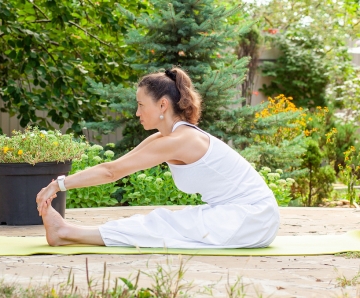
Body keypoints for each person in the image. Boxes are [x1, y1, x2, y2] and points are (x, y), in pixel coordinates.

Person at [36, 67, 280, 248]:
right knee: (166, 222)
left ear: (162, 105)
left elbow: (112, 173)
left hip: (254, 218)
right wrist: (59, 184)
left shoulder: (180, 141)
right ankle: (66, 232)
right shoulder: (165, 138)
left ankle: (66, 233)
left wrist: (58, 185)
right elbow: (113, 167)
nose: (136, 112)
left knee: (162, 225)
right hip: (236, 214)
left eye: (141, 105)